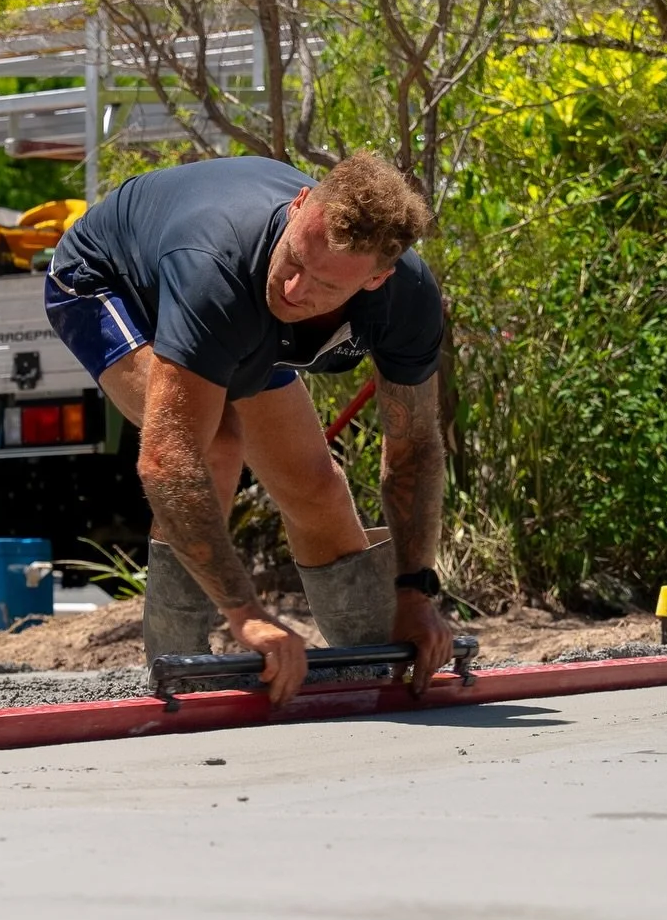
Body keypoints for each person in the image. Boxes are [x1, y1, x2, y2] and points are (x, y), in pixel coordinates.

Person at [45, 152, 451, 706]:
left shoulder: (409, 300)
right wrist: (246, 613)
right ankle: (176, 665)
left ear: (377, 279)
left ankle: (372, 662)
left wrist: (414, 594)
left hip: (234, 317)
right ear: (300, 205)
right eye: (295, 258)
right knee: (215, 444)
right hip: (107, 279)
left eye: (325, 285)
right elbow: (167, 460)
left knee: (315, 486)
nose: (294, 289)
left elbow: (415, 450)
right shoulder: (217, 268)